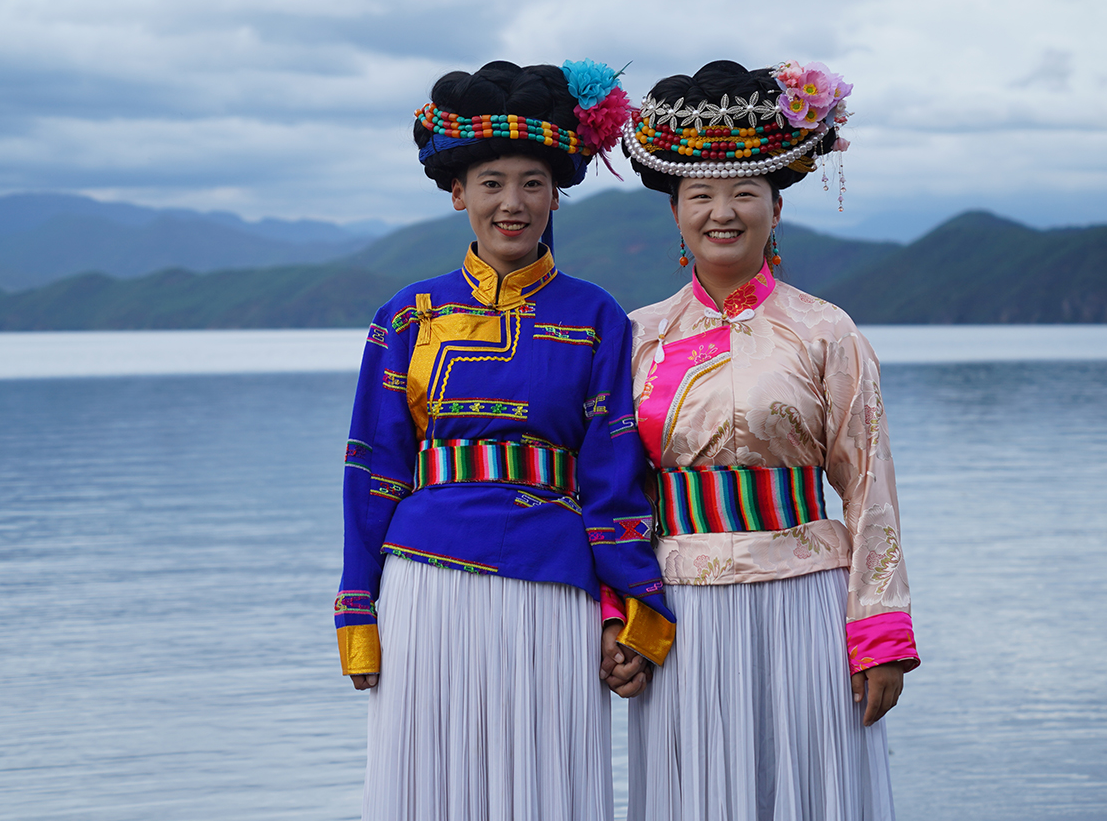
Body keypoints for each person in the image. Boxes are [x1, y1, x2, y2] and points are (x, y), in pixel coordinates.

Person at [335, 59, 676, 821]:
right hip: (425, 584)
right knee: (430, 786)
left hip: (554, 583)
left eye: (531, 183)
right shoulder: (409, 315)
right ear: (459, 193)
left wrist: (630, 610)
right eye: (491, 183)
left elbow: (613, 475)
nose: (511, 203)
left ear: (558, 195)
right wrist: (358, 606)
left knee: (548, 785)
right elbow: (373, 469)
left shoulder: (596, 317)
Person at [616, 59, 919, 820]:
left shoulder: (824, 330)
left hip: (806, 600)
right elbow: (612, 494)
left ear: (776, 209)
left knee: (811, 793)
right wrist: (619, 616)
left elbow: (868, 482)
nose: (724, 211)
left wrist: (878, 632)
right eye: (702, 195)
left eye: (745, 192)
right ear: (676, 212)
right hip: (680, 605)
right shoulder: (635, 338)